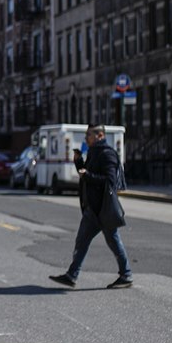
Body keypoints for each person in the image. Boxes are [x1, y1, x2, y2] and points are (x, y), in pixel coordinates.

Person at [49, 123, 133, 289]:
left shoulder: (107, 154)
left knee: (98, 241)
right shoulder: (95, 153)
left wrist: (87, 175)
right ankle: (124, 274)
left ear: (100, 136)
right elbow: (87, 175)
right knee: (90, 241)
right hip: (94, 208)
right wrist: (79, 163)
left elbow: (109, 181)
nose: (86, 138)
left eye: (89, 135)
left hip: (101, 208)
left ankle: (124, 274)